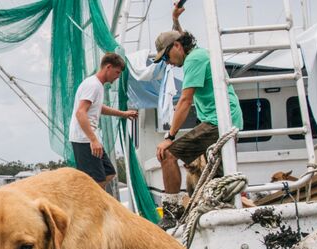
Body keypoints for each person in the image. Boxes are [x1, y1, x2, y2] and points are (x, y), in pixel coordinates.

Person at [154, 4, 244, 229]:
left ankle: (172, 212)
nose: (167, 62)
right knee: (219, 180)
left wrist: (170, 136)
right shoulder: (196, 52)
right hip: (226, 120)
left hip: (218, 122)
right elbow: (181, 38)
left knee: (168, 155)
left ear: (177, 47)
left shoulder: (193, 60)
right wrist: (175, 19)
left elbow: (184, 101)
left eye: (166, 56)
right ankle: (227, 215)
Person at [69, 52, 138, 189]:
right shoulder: (93, 85)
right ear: (108, 67)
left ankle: (89, 198)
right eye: (117, 72)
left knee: (109, 173)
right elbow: (80, 112)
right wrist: (93, 140)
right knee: (97, 181)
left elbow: (98, 107)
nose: (117, 77)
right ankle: (88, 207)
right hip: (84, 140)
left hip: (89, 139)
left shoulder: (98, 85)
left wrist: (122, 114)